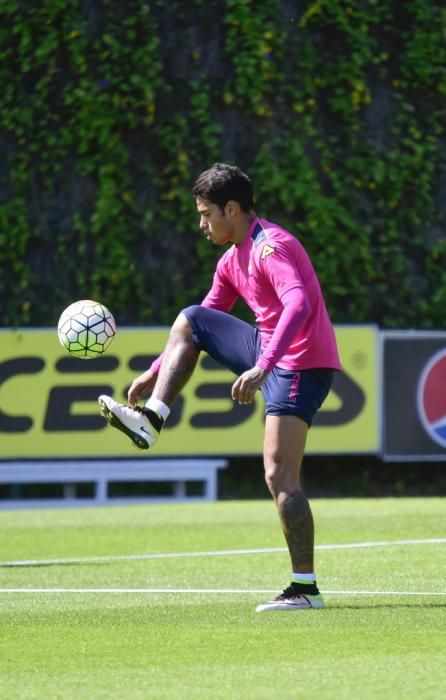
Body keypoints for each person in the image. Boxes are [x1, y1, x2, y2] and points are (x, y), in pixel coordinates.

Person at [99, 163, 341, 612]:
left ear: (232, 209)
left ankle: (305, 590)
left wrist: (264, 366)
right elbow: (202, 322)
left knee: (278, 475)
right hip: (267, 351)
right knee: (192, 317)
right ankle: (152, 419)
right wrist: (155, 371)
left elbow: (299, 305)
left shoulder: (272, 247)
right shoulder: (232, 259)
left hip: (301, 362)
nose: (202, 223)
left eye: (207, 213)